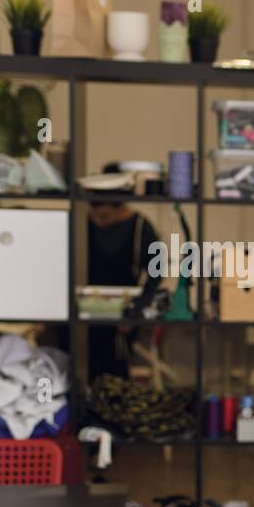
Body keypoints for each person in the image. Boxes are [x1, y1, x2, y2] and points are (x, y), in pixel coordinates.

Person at [85, 163, 163, 381]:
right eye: (95, 217)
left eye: (106, 217)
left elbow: (157, 273)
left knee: (114, 366)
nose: (99, 222)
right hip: (84, 309)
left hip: (124, 312)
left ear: (122, 208)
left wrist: (136, 312)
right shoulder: (83, 224)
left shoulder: (141, 228)